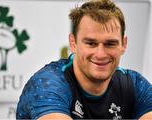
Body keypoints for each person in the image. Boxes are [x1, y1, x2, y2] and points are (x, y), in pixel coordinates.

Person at [16, 0, 152, 119]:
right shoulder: (48, 84)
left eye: (110, 44)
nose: (100, 54)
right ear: (73, 43)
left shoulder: (135, 85)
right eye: (91, 43)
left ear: (124, 44)